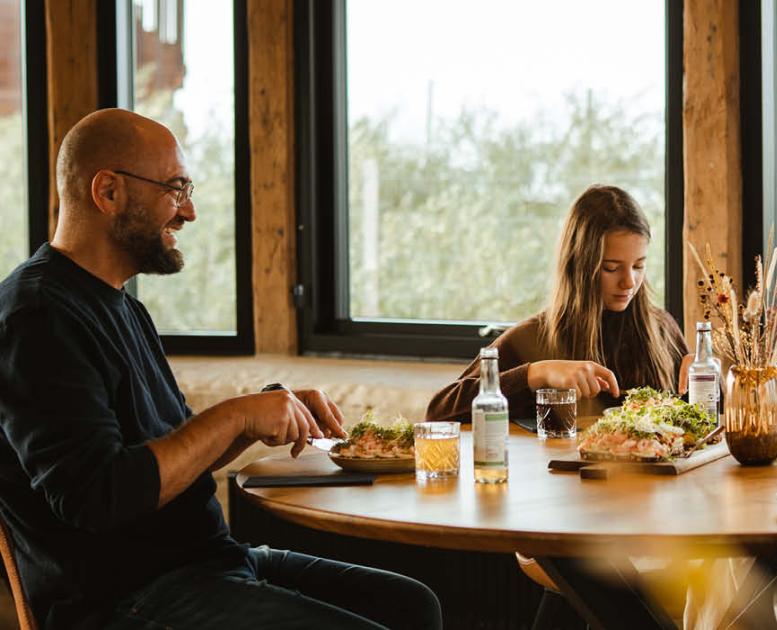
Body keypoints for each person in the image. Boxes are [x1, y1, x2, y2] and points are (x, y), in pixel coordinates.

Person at [0, 109, 442, 630]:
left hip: (206, 563)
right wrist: (234, 417)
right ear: (108, 192)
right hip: (124, 596)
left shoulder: (121, 305)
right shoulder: (37, 315)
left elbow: (174, 456)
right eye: (175, 188)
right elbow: (100, 497)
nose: (188, 211)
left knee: (412, 605)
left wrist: (265, 414)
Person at [426, 184, 690, 423]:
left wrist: (709, 381)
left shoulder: (662, 329)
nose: (629, 282)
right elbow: (439, 411)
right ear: (580, 267)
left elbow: (703, 426)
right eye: (611, 268)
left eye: (638, 266)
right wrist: (537, 374)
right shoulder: (533, 337)